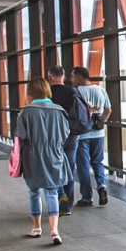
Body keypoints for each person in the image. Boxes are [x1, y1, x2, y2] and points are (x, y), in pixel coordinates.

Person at [16, 77, 72, 245]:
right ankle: (54, 231)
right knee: (52, 192)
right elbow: (65, 134)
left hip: (32, 155)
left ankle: (37, 228)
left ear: (30, 92)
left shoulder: (26, 112)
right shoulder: (59, 111)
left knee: (34, 192)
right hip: (54, 154)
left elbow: (21, 136)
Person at [72, 66, 112, 206]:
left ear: (79, 77)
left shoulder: (77, 92)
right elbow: (108, 109)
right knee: (98, 162)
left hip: (82, 135)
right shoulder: (100, 90)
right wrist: (101, 122)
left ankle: (87, 198)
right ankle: (101, 186)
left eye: (73, 77)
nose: (71, 80)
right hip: (99, 134)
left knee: (83, 167)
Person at [47, 65, 82, 215]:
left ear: (49, 77)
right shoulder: (72, 92)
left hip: (53, 136)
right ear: (64, 77)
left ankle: (61, 194)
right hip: (71, 135)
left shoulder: (46, 94)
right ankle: (67, 207)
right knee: (70, 168)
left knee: (54, 168)